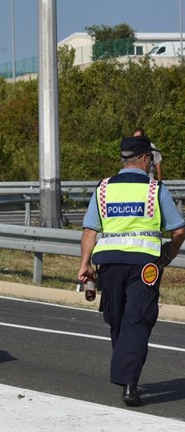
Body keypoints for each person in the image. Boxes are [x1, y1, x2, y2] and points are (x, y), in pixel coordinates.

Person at [78, 136, 185, 407]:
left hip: (110, 264)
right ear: (145, 159)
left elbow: (90, 231)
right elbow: (179, 230)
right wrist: (171, 252)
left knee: (118, 318)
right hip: (145, 264)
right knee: (137, 320)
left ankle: (128, 378)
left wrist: (84, 264)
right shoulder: (154, 189)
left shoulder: (102, 188)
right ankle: (129, 381)